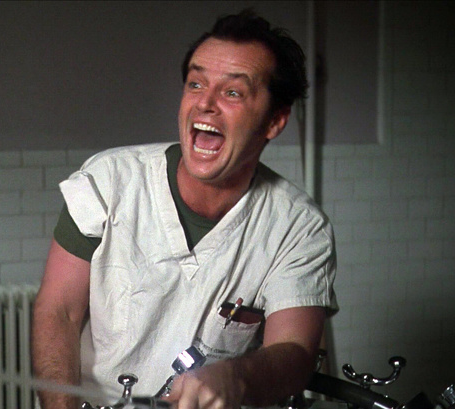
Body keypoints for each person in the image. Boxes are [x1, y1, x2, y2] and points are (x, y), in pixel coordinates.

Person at [32, 9, 337, 409]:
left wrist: (237, 376)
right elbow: (59, 312)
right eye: (196, 84)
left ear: (274, 121)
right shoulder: (108, 182)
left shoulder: (299, 227)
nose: (205, 104)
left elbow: (295, 352)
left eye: (232, 92)